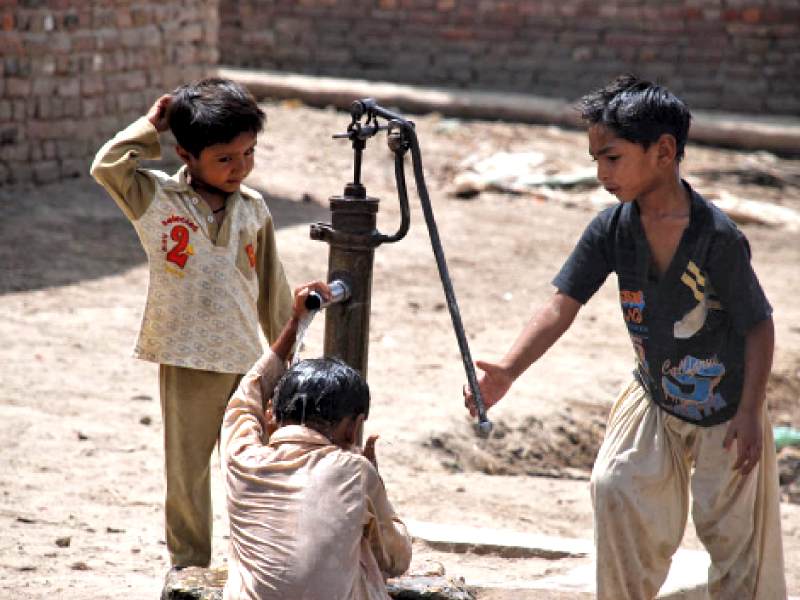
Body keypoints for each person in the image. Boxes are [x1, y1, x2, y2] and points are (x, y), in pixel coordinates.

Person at [464, 74, 786, 599]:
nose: (599, 174)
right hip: (655, 391)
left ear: (663, 152)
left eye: (611, 158)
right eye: (595, 159)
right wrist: (507, 370)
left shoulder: (717, 238)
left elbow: (759, 325)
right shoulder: (611, 229)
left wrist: (752, 410)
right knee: (616, 488)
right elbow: (560, 306)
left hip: (729, 402)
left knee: (738, 545)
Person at [90, 78, 293, 570]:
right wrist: (151, 125)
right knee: (188, 474)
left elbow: (273, 291)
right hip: (187, 359)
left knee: (254, 468)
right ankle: (190, 568)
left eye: (248, 153)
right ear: (185, 153)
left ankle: (257, 566)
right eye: (224, 158)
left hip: (248, 362)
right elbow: (106, 166)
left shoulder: (255, 209)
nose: (239, 168)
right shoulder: (155, 199)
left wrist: (286, 359)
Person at [221, 282, 412, 600]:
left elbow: (246, 396)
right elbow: (395, 559)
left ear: (272, 418)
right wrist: (375, 487)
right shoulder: (355, 470)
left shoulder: (241, 458)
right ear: (354, 429)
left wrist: (295, 323)